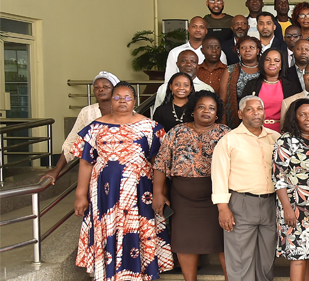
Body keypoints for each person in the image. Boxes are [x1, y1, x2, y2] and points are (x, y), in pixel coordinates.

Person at [71, 82, 173, 280]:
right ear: (111, 100)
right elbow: (85, 163)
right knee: (109, 230)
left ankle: (139, 274)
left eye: (127, 97)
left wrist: (160, 193)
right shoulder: (95, 128)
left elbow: (159, 164)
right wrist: (80, 195)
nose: (122, 101)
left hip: (140, 195)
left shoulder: (150, 127)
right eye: (117, 97)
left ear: (135, 101)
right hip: (104, 197)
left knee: (137, 231)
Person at [153, 90, 230, 281]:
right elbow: (161, 164)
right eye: (201, 107)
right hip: (183, 199)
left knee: (224, 242)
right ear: (193, 111)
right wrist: (157, 193)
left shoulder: (226, 134)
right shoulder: (176, 132)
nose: (206, 111)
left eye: (212, 108)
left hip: (217, 199)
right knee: (185, 241)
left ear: (217, 113)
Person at [212, 95, 281, 281]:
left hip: (270, 203)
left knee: (266, 258)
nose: (256, 113)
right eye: (250, 109)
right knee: (240, 259)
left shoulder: (276, 138)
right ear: (240, 114)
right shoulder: (229, 140)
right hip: (240, 203)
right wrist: (222, 208)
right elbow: (219, 175)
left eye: (259, 109)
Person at [272, 98, 309, 281]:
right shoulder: (286, 141)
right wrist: (287, 208)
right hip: (294, 207)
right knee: (297, 255)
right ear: (294, 118)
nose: (308, 118)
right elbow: (278, 178)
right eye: (302, 114)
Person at [40, 72, 118, 185]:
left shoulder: (126, 112)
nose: (100, 89)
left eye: (105, 86)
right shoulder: (87, 112)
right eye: (97, 87)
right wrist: (56, 170)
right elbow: (72, 141)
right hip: (94, 172)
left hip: (121, 171)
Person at [241, 49, 303, 132]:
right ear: (262, 63)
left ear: (281, 65)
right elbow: (243, 110)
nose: (272, 63)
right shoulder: (252, 85)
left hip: (283, 131)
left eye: (276, 60)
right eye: (268, 60)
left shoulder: (291, 86)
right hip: (255, 130)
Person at [164, 16, 228, 83]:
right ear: (188, 29)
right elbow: (169, 80)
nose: (198, 30)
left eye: (201, 27)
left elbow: (224, 78)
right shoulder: (175, 52)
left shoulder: (217, 53)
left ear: (206, 31)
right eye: (194, 26)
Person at [219, 36, 261, 127]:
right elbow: (222, 101)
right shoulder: (230, 70)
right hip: (235, 121)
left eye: (251, 47)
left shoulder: (265, 70)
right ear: (238, 51)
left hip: (261, 119)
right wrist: (223, 126)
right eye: (243, 48)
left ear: (258, 50)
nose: (247, 50)